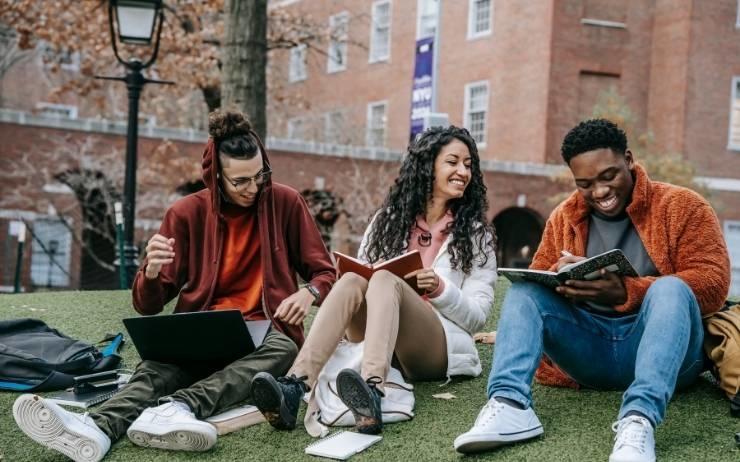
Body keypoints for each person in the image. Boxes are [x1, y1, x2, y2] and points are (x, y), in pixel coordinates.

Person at [12, 110, 336, 462]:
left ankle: (178, 408)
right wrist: (150, 273)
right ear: (215, 177)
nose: (254, 188)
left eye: (260, 175)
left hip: (264, 327)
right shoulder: (184, 213)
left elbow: (325, 273)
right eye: (240, 181)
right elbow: (148, 305)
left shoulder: (285, 202)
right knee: (156, 367)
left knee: (285, 349)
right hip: (202, 325)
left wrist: (309, 292)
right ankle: (96, 429)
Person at [455, 119, 731, 462]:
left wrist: (626, 292)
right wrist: (562, 280)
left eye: (608, 176)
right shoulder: (564, 216)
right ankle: (509, 405)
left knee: (672, 289)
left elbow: (713, 284)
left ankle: (638, 420)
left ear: (628, 159)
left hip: (668, 356)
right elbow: (541, 279)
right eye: (585, 183)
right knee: (525, 290)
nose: (599, 192)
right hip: (589, 352)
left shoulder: (684, 207)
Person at [250, 125, 497, 435]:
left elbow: (476, 317)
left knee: (384, 281)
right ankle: (294, 386)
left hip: (433, 348)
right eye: (452, 162)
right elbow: (362, 280)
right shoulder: (388, 220)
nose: (463, 171)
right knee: (355, 279)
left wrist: (439, 288)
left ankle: (372, 390)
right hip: (376, 338)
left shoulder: (475, 234)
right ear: (427, 166)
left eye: (468, 164)